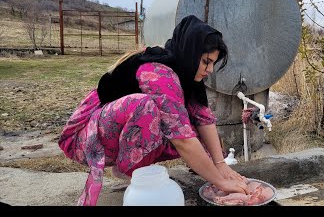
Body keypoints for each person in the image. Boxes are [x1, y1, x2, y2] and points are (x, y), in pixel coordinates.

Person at [58, 15, 249, 206]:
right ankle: (133, 176)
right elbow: (182, 140)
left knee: (192, 128)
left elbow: (205, 120)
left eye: (213, 63)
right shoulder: (159, 71)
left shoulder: (187, 74)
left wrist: (220, 165)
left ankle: (129, 169)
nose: (210, 69)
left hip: (113, 134)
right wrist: (220, 182)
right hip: (84, 139)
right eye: (207, 61)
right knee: (146, 108)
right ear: (191, 53)